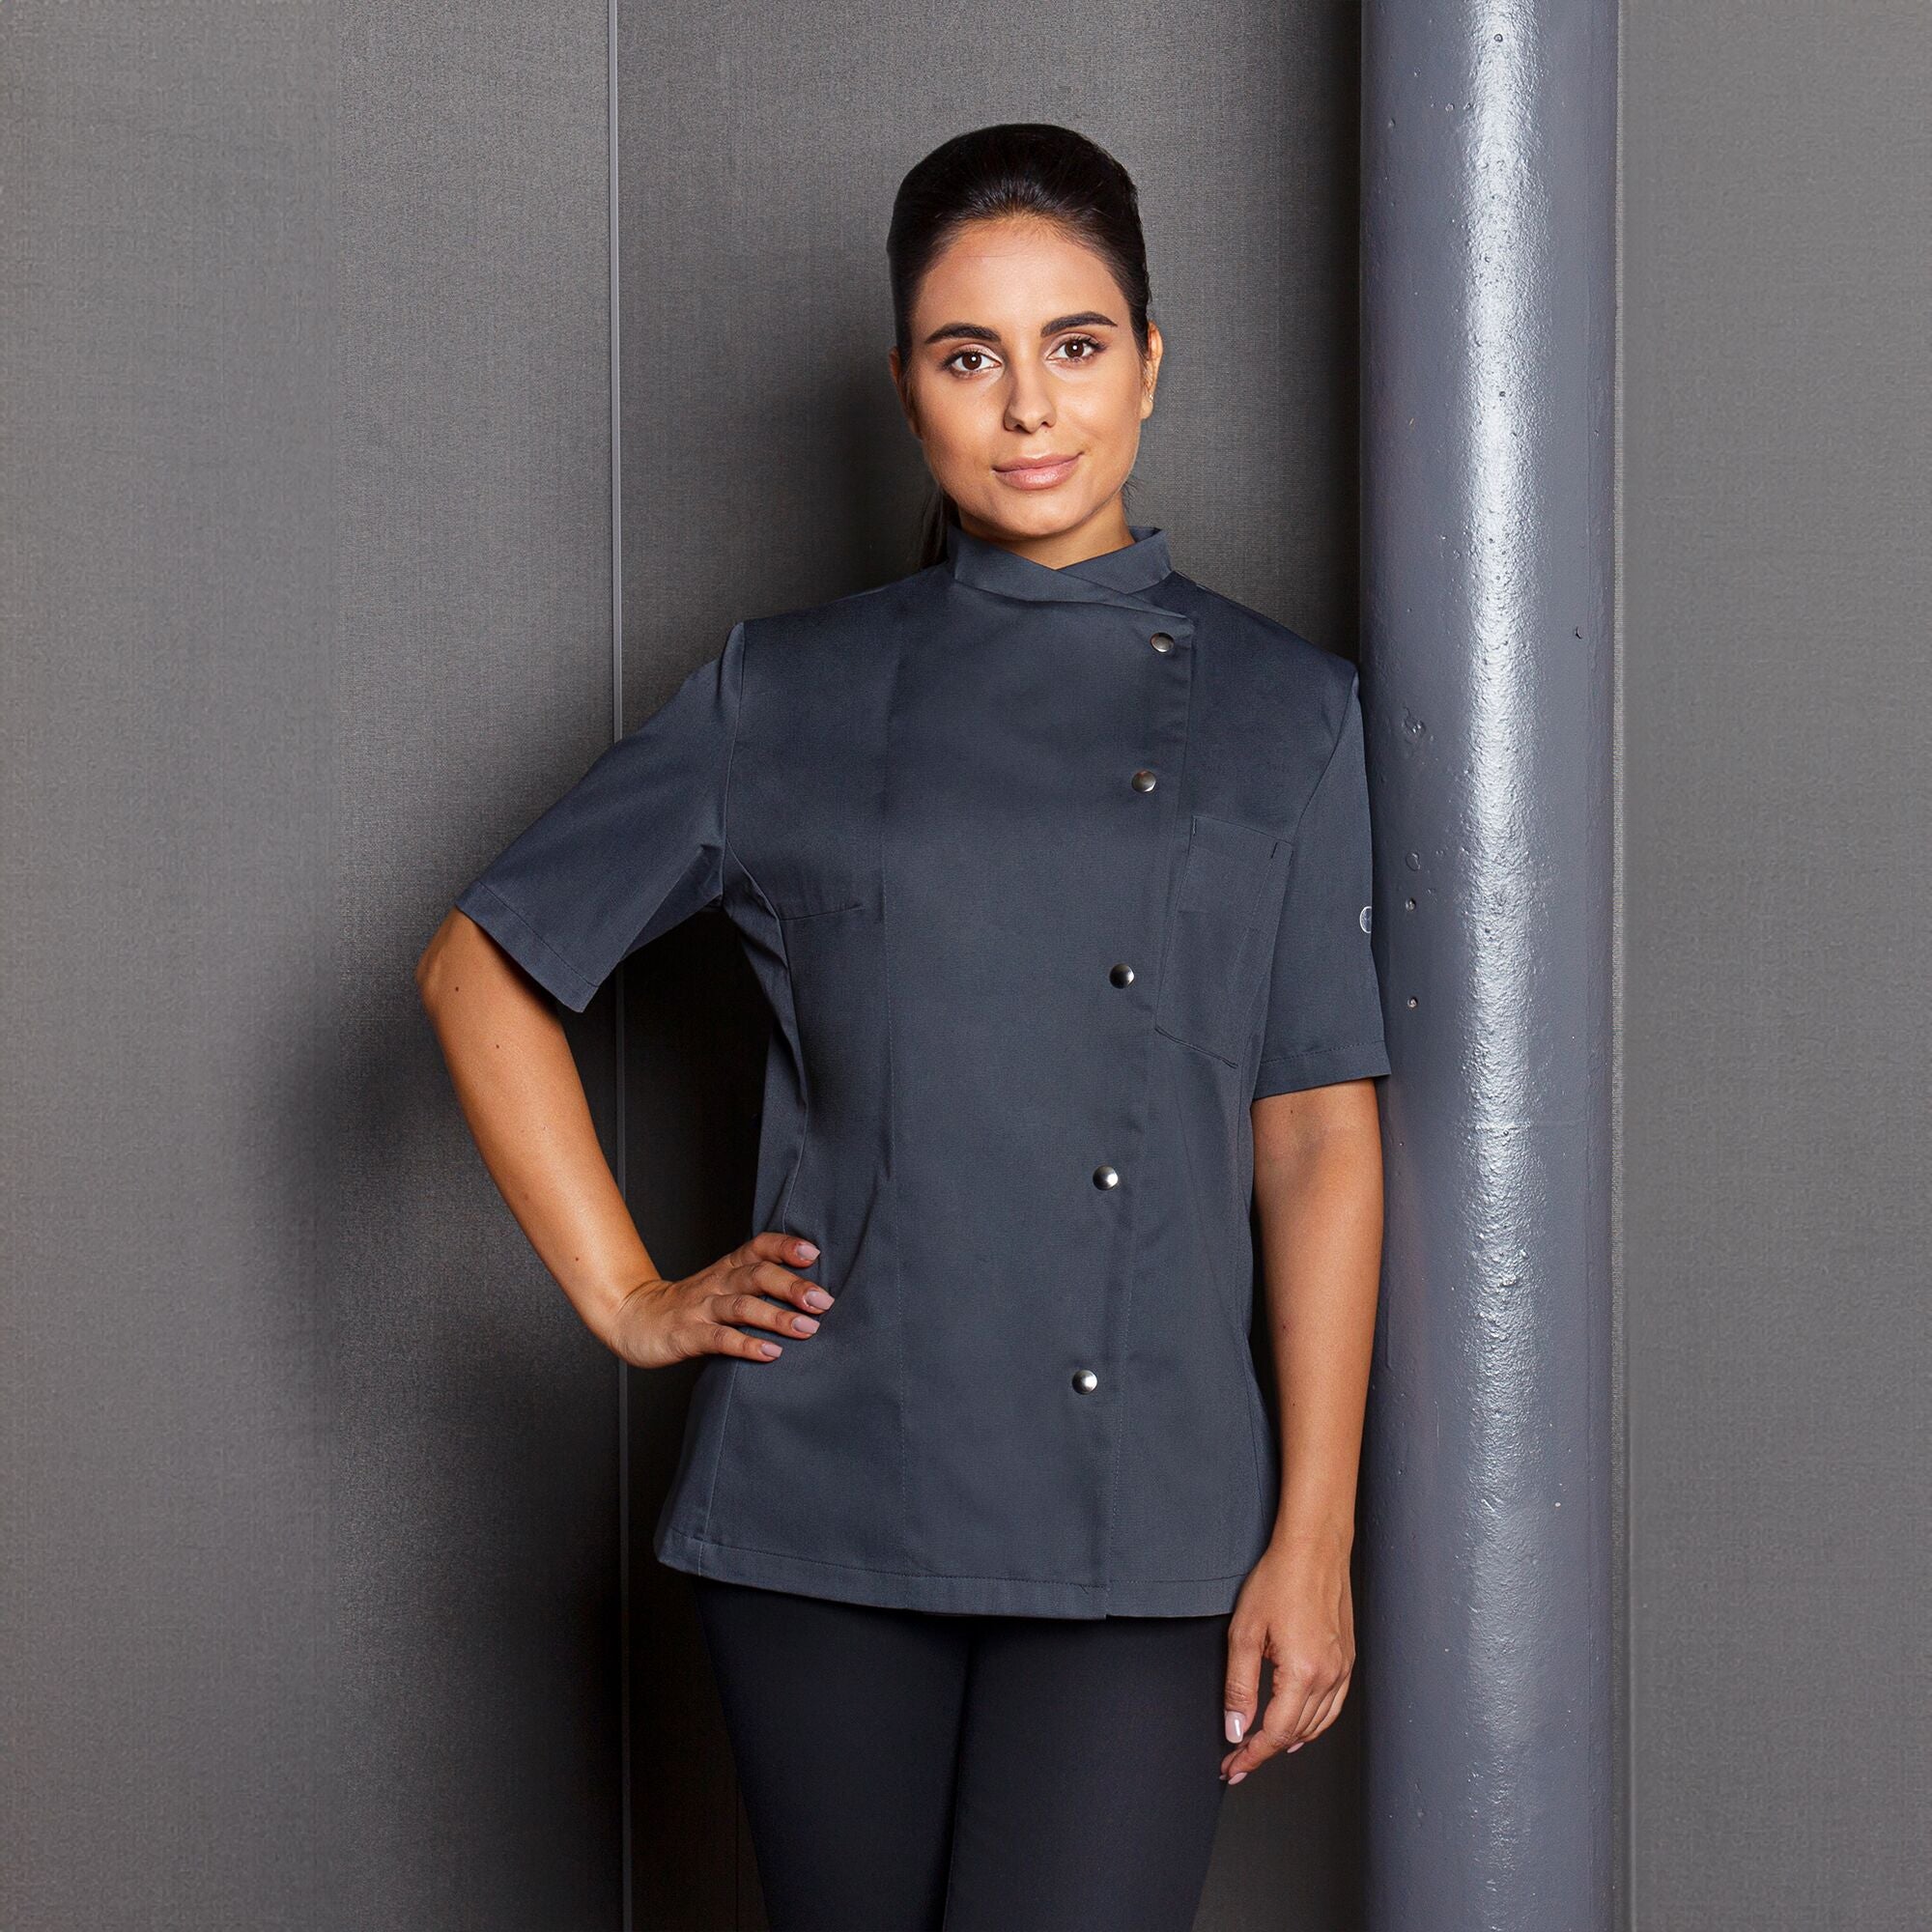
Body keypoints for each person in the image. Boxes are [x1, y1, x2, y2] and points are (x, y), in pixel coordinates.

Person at [416, 121, 1388, 1932]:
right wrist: (629, 1296)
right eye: (968, 356)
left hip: (1147, 1508)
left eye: (1074, 344)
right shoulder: (785, 689)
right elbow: (484, 966)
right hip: (827, 1503)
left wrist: (1315, 1532)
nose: (1029, 407)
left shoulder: (1287, 711)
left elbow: (1320, 1132)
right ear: (906, 389)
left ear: (1151, 362)